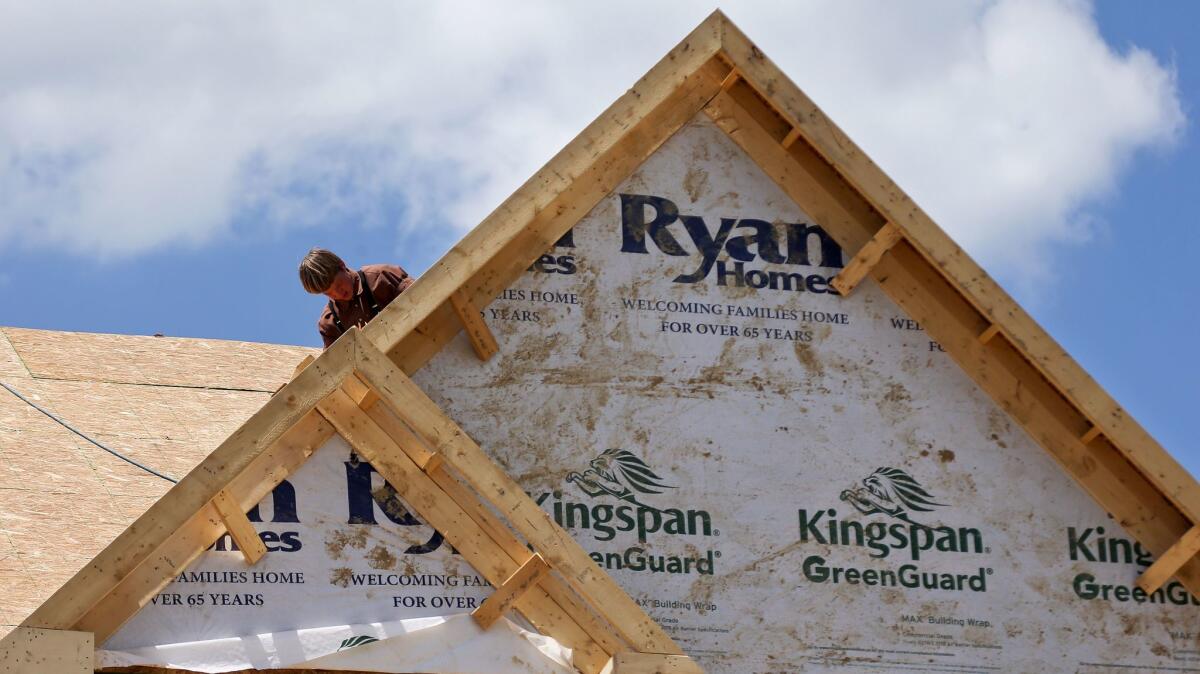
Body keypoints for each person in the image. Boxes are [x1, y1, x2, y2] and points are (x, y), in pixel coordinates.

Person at [298, 248, 414, 348]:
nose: (338, 294)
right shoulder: (329, 324)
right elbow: (337, 367)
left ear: (342, 266)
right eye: (329, 293)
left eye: (338, 284)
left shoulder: (381, 276)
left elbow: (421, 298)